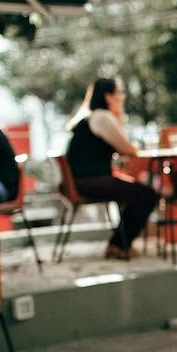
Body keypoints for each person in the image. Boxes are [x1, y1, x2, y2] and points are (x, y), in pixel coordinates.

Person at [64, 77, 159, 260]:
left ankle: (119, 243)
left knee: (137, 192)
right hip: (89, 181)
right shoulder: (102, 117)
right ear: (109, 96)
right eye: (120, 93)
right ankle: (118, 245)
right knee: (147, 195)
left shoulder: (90, 116)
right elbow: (128, 149)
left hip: (80, 180)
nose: (123, 97)